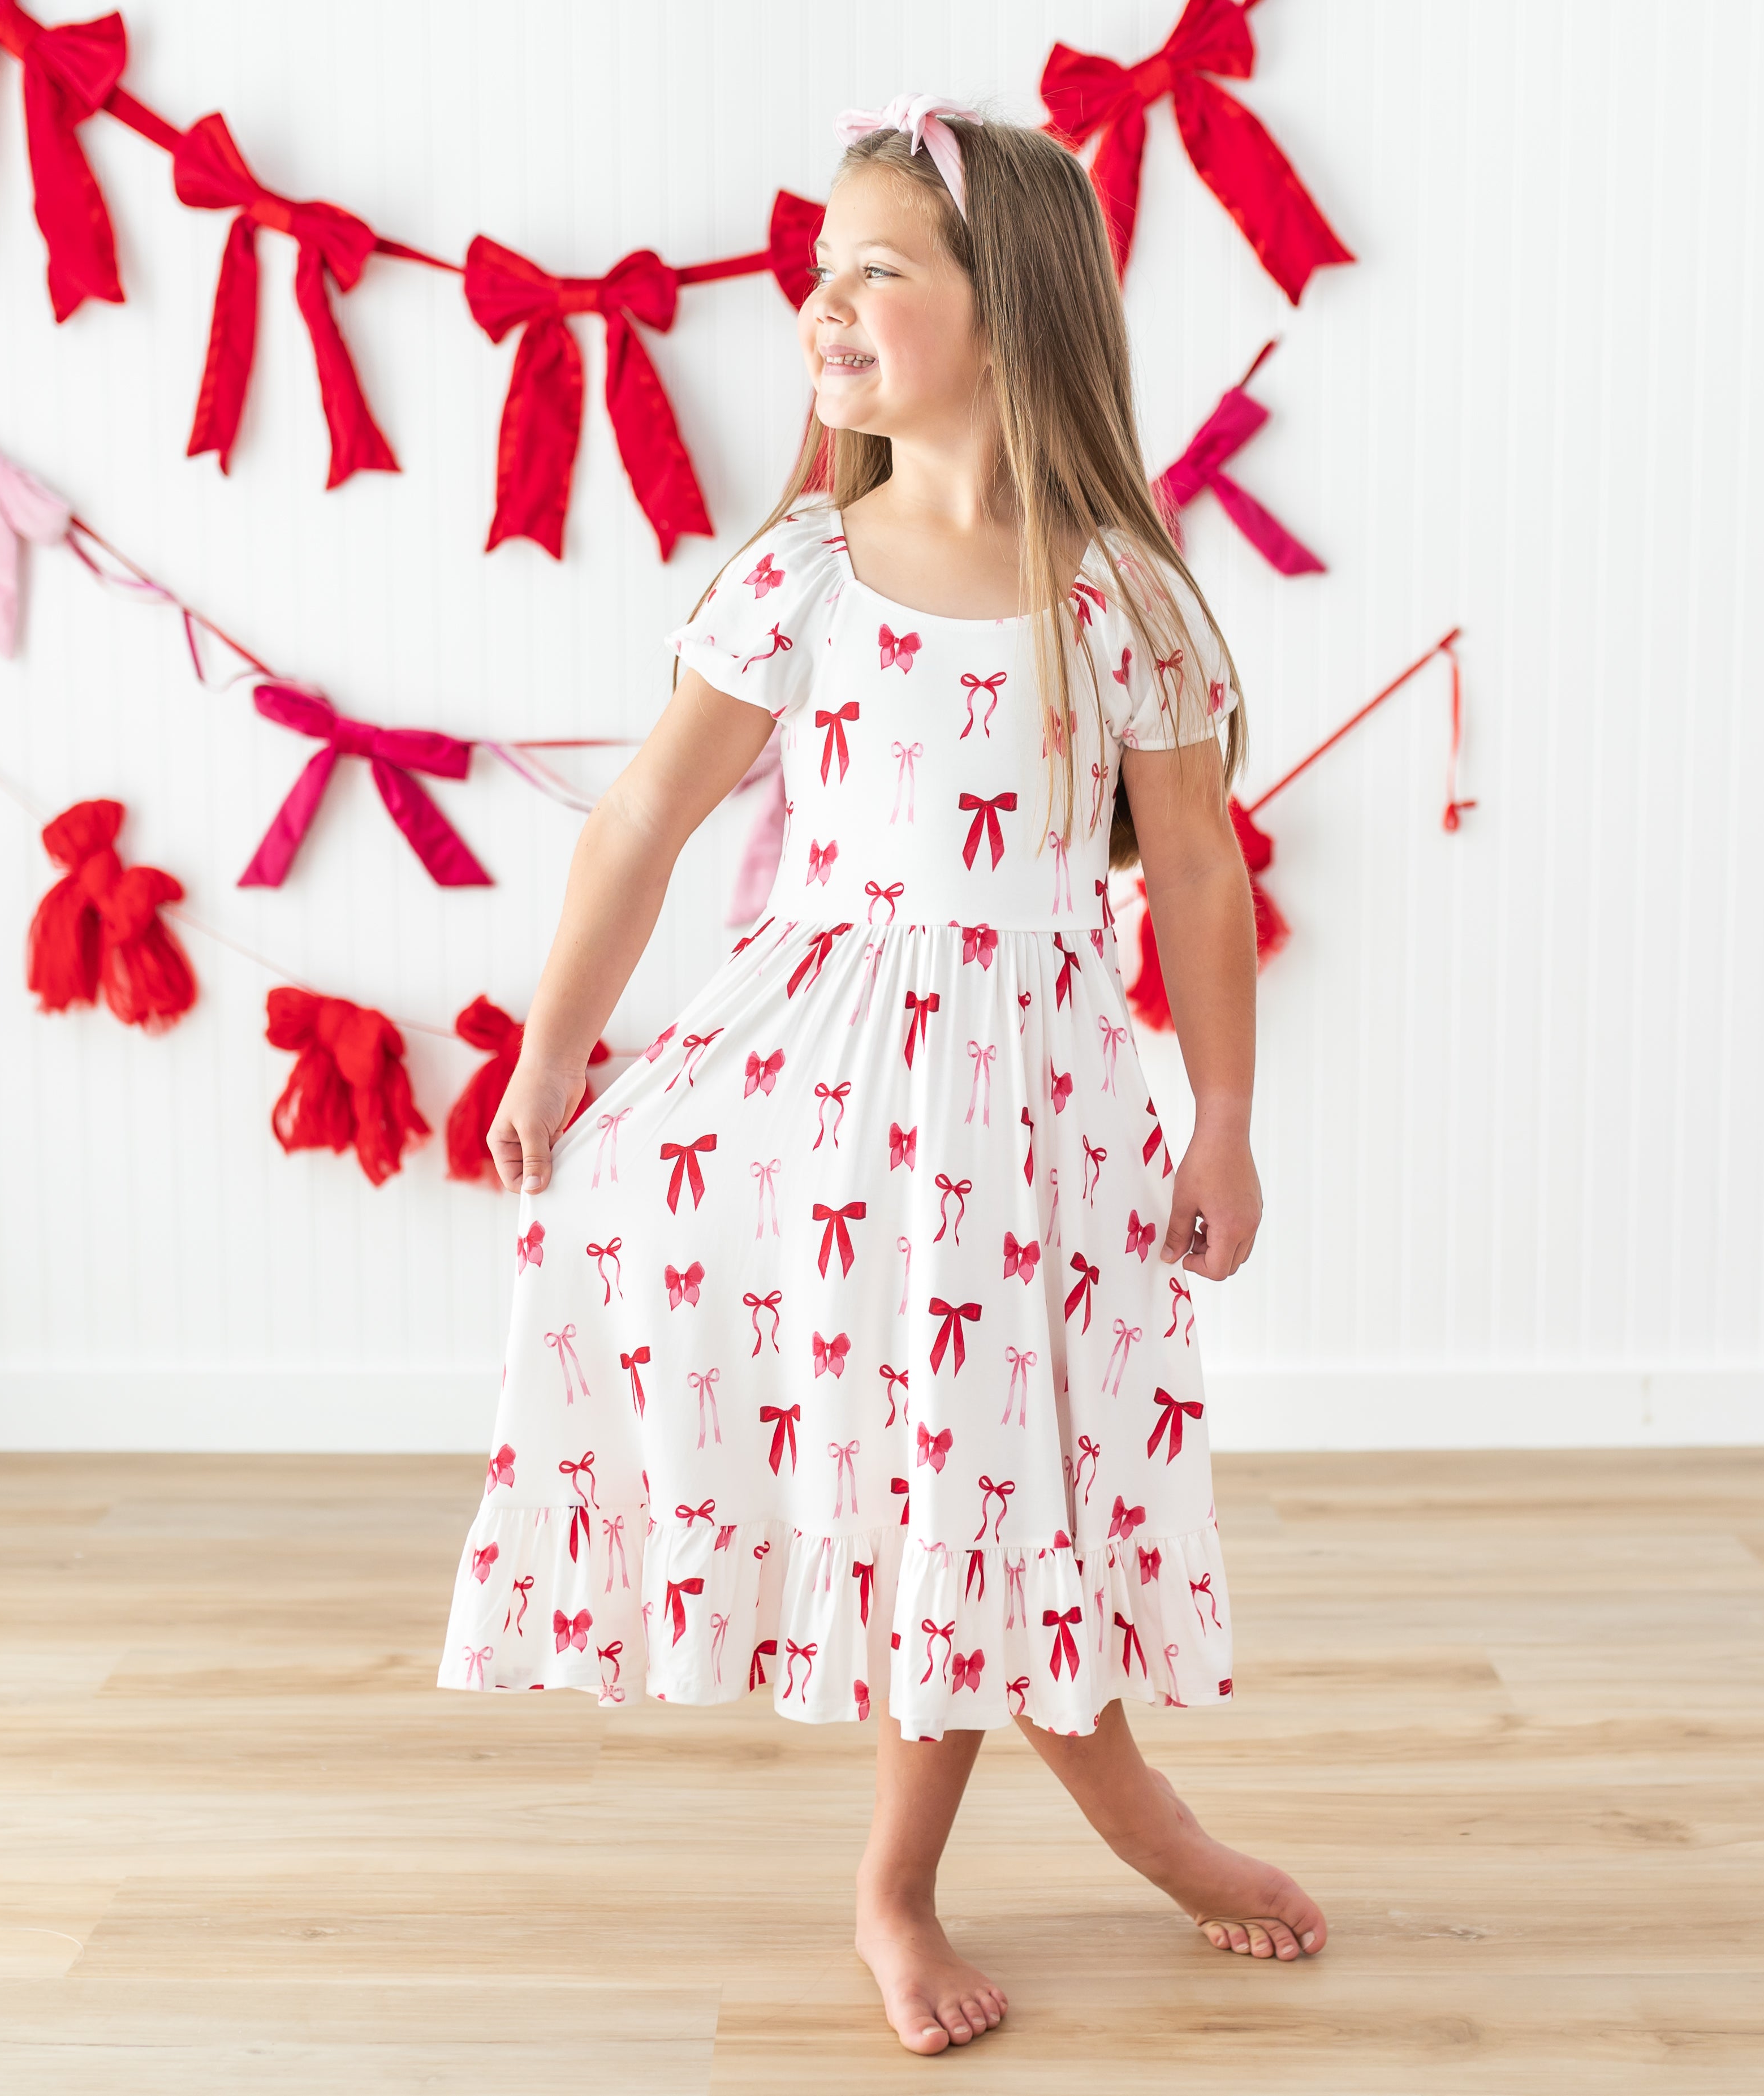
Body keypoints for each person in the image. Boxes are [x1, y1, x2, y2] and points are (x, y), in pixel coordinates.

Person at [435, 92, 1326, 2054]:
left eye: (875, 269)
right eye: (818, 268)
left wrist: (1230, 1118)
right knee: (953, 1481)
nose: (821, 302)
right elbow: (645, 822)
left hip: (1044, 1108)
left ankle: (1104, 1831)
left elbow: (1191, 865)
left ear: (1001, 308)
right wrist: (558, 1037)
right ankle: (951, 1875)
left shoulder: (1126, 599)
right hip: (837, 1087)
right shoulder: (802, 578)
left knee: (1016, 1481)